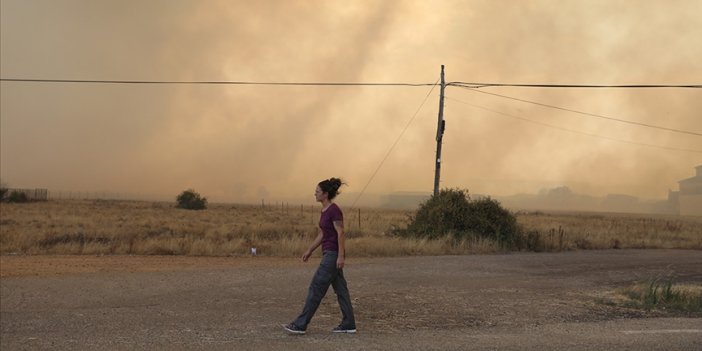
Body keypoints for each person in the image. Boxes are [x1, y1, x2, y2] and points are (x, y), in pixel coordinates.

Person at [283, 178, 356, 335]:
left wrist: (341, 256)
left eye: (317, 191)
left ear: (325, 194)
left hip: (332, 255)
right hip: (329, 253)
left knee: (316, 288)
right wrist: (310, 250)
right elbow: (323, 233)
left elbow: (341, 232)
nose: (314, 193)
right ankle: (349, 324)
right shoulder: (324, 211)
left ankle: (301, 324)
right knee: (341, 290)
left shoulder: (334, 210)